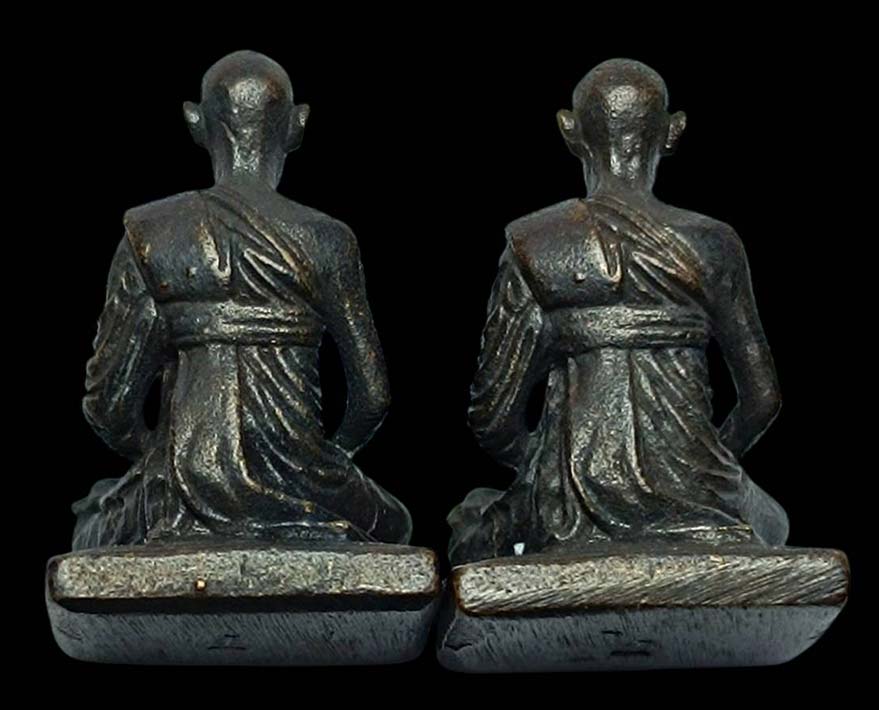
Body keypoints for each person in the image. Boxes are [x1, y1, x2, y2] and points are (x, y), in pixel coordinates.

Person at [448, 59, 788, 565]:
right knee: (774, 524)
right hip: (698, 485)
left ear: (569, 130)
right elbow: (762, 400)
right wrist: (699, 460)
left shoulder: (536, 243)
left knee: (468, 521)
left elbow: (493, 419)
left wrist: (548, 465)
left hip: (569, 494)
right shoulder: (715, 244)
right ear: (672, 132)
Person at [73, 51, 411, 550]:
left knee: (93, 525)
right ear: (297, 125)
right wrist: (322, 460)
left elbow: (109, 406)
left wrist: (161, 458)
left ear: (194, 121)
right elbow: (373, 396)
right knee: (395, 524)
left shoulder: (152, 234)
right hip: (304, 479)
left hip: (176, 487)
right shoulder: (328, 239)